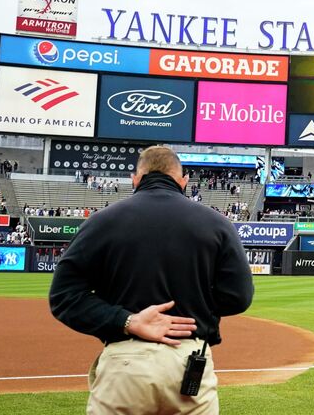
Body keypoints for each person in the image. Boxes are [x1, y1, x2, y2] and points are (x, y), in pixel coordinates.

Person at [49, 146, 254, 414]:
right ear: (183, 182)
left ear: (136, 179)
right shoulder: (216, 223)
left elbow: (64, 296)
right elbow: (238, 297)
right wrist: (195, 306)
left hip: (124, 362)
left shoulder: (101, 221)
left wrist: (127, 320)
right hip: (189, 358)